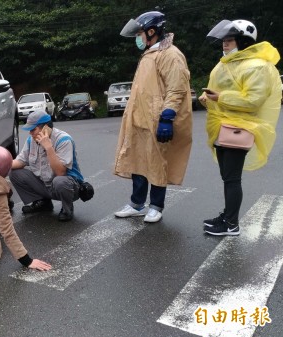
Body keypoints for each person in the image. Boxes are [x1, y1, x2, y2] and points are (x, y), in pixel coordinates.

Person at [199, 19, 281, 236]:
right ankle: (227, 215)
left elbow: (253, 100)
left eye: (230, 40)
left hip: (240, 128)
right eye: (224, 40)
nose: (225, 44)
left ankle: (232, 224)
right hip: (221, 126)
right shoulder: (225, 63)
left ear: (243, 42)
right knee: (227, 177)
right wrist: (206, 97)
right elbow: (215, 89)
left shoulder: (257, 66)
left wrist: (221, 97)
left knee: (233, 178)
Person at [113, 11, 193, 223]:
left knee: (158, 162)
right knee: (138, 161)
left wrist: (167, 117)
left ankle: (156, 206)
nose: (139, 38)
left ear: (152, 31)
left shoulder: (171, 55)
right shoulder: (150, 54)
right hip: (140, 120)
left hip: (157, 121)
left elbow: (176, 90)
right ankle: (137, 203)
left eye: (140, 33)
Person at [9, 110, 84, 222]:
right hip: (45, 184)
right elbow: (20, 161)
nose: (30, 133)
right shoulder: (31, 140)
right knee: (15, 173)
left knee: (60, 181)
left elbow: (60, 172)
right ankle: (43, 203)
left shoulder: (64, 140)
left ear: (46, 128)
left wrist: (48, 147)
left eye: (33, 129)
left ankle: (67, 209)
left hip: (68, 186)